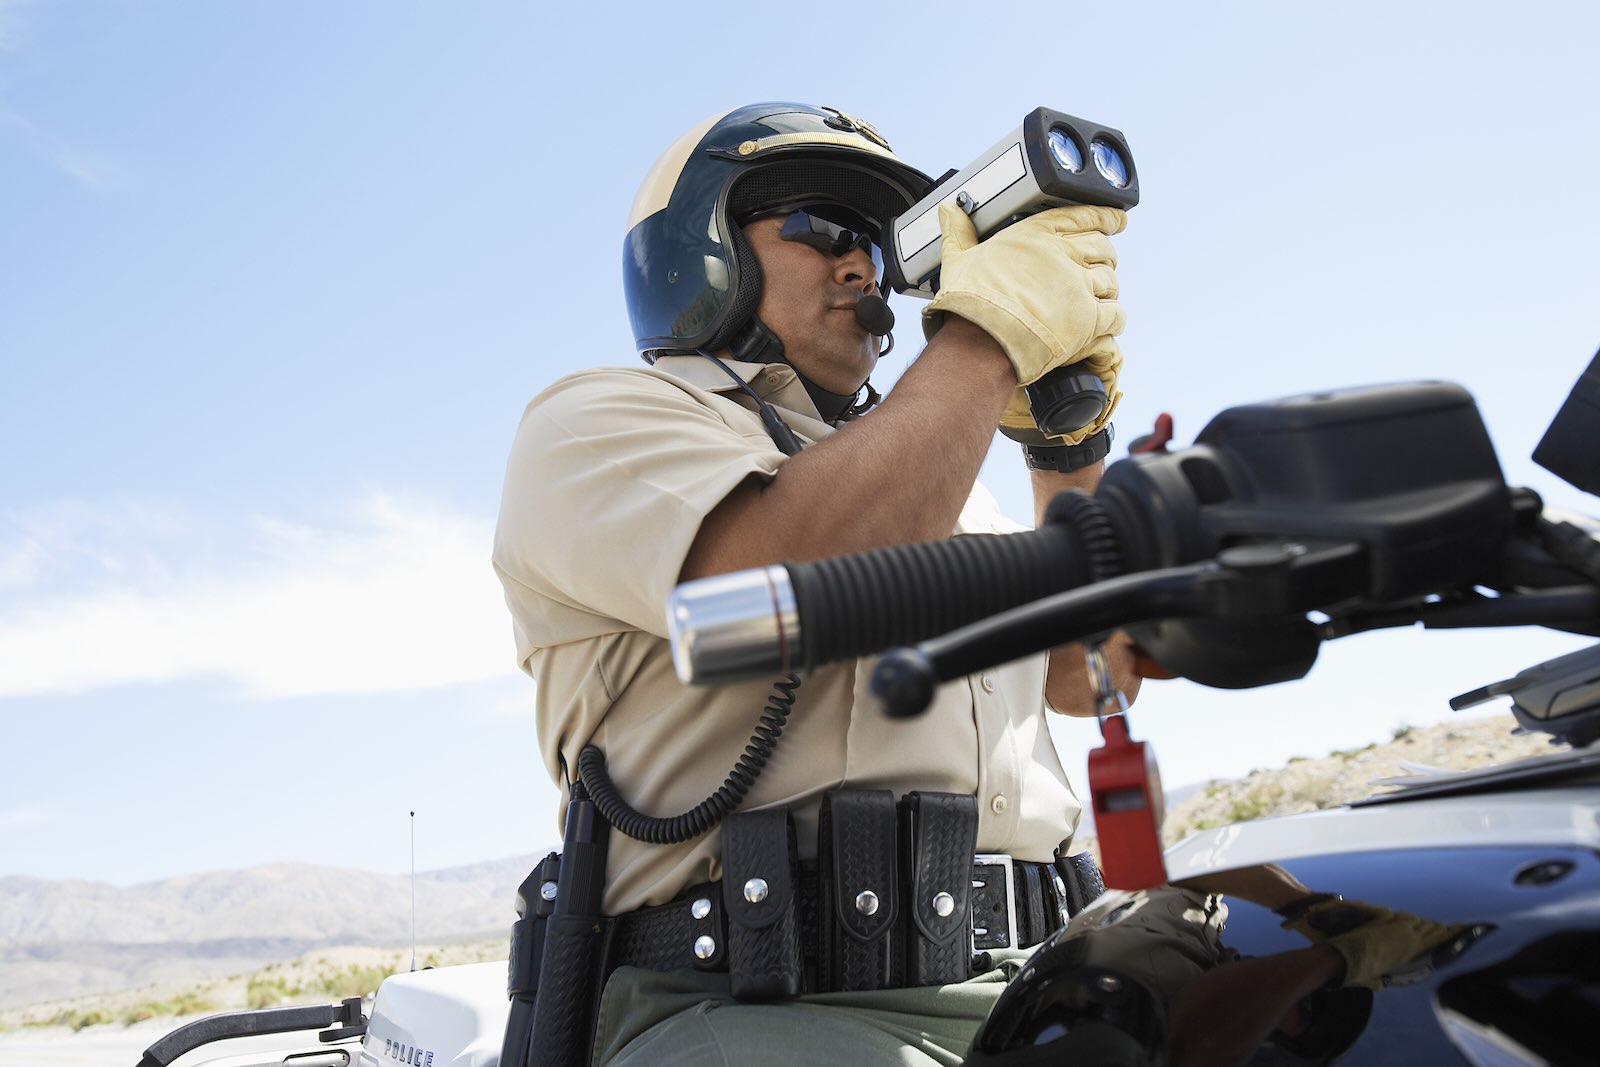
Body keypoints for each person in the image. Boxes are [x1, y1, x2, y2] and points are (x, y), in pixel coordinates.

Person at [493, 102, 1141, 1066]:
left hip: (1046, 977)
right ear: (703, 250)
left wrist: (1065, 444)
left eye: (877, 243)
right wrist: (989, 338)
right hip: (762, 1006)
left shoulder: (945, 491)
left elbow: (1094, 677)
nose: (862, 264)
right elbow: (791, 574)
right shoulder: (595, 420)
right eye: (824, 229)